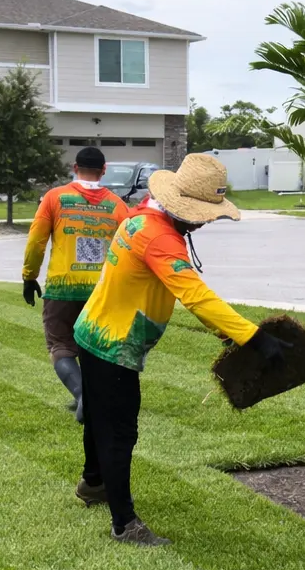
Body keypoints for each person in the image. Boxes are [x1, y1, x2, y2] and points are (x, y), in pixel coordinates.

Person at [72, 153, 291, 545]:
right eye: (205, 214)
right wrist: (252, 337)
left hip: (92, 332)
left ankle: (93, 484)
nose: (207, 220)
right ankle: (124, 523)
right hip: (113, 346)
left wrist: (225, 332)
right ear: (184, 208)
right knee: (120, 432)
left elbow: (171, 287)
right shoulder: (159, 237)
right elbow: (195, 295)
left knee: (100, 420)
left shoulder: (141, 219)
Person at [21, 146, 130, 421]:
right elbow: (130, 249)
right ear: (104, 170)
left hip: (62, 287)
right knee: (97, 346)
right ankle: (97, 396)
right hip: (102, 290)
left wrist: (29, 276)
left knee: (60, 345)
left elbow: (36, 241)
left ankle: (83, 395)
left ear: (74, 167)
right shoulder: (118, 206)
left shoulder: (54, 198)